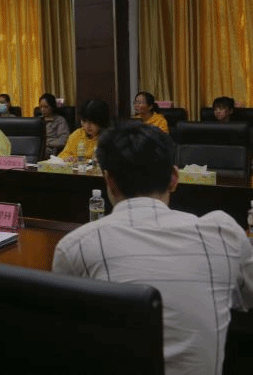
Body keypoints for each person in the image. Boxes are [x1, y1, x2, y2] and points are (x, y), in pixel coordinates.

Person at [53, 123, 253, 374]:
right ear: (174, 178)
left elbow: (66, 339)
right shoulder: (224, 233)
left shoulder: (75, 246)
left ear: (109, 181)